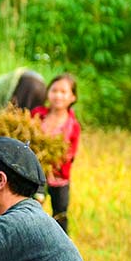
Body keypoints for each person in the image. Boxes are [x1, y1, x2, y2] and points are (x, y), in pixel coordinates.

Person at [31, 74, 80, 234]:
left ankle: (62, 245)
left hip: (60, 178)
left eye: (63, 92)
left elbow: (69, 155)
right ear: (48, 93)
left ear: (72, 97)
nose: (58, 95)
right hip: (37, 173)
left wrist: (54, 162)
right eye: (54, 90)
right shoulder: (37, 115)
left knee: (60, 214)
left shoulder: (72, 125)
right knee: (33, 208)